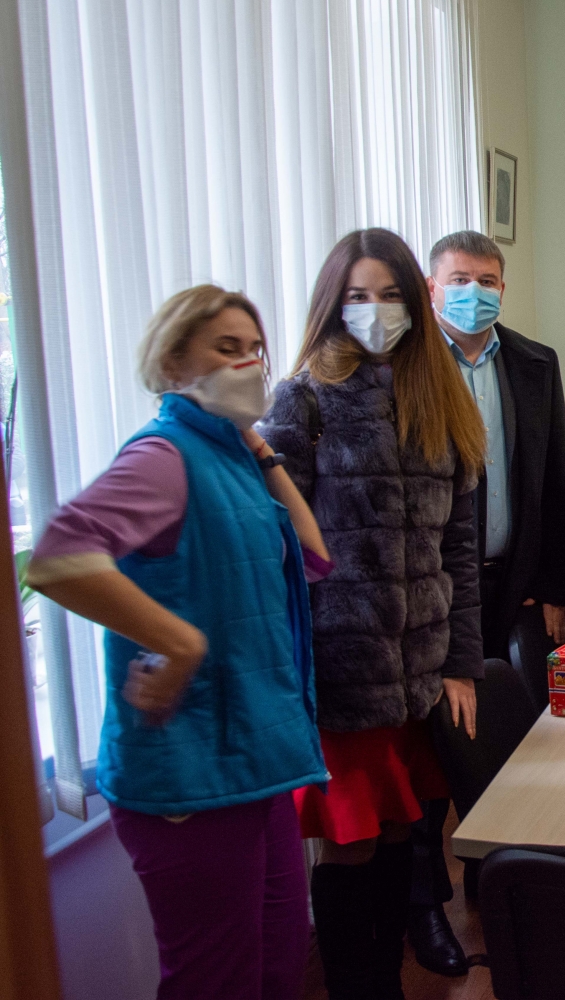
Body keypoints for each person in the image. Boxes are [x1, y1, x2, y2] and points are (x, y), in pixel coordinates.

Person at [27, 286, 329, 999]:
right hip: (190, 776)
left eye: (255, 349)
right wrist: (180, 644)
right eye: (227, 348)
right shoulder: (165, 456)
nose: (249, 364)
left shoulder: (227, 456)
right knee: (216, 980)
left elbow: (312, 553)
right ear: (171, 365)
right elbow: (59, 557)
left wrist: (260, 447)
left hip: (253, 761)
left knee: (280, 961)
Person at [259, 227, 487, 1000]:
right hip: (341, 674)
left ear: (415, 303)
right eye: (358, 295)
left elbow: (458, 548)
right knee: (351, 845)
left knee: (402, 836)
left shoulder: (441, 398)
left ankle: (386, 979)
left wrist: (461, 664)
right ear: (333, 304)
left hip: (419, 672)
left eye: (390, 294)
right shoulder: (303, 400)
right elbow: (275, 551)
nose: (375, 310)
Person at [402, 229, 565, 975]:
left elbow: (554, 477)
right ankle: (426, 907)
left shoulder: (535, 362)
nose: (475, 291)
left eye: (488, 280)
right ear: (432, 288)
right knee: (436, 746)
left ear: (504, 287)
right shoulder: (406, 368)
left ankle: (497, 880)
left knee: (517, 733)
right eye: (460, 278)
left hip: (516, 582)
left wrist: (558, 588)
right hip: (434, 590)